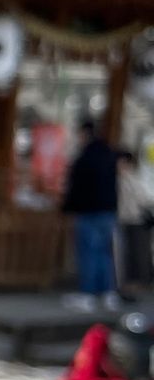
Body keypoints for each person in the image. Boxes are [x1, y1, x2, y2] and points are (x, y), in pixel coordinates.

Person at [62, 118, 119, 310]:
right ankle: (108, 293)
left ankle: (87, 294)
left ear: (84, 134)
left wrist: (66, 207)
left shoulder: (85, 158)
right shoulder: (109, 155)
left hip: (89, 211)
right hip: (108, 211)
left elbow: (75, 188)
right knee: (105, 254)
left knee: (88, 253)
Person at [114, 149, 153, 299]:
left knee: (138, 253)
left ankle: (139, 282)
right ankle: (133, 282)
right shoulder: (122, 178)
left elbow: (146, 198)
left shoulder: (131, 179)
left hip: (136, 220)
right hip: (126, 220)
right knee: (130, 253)